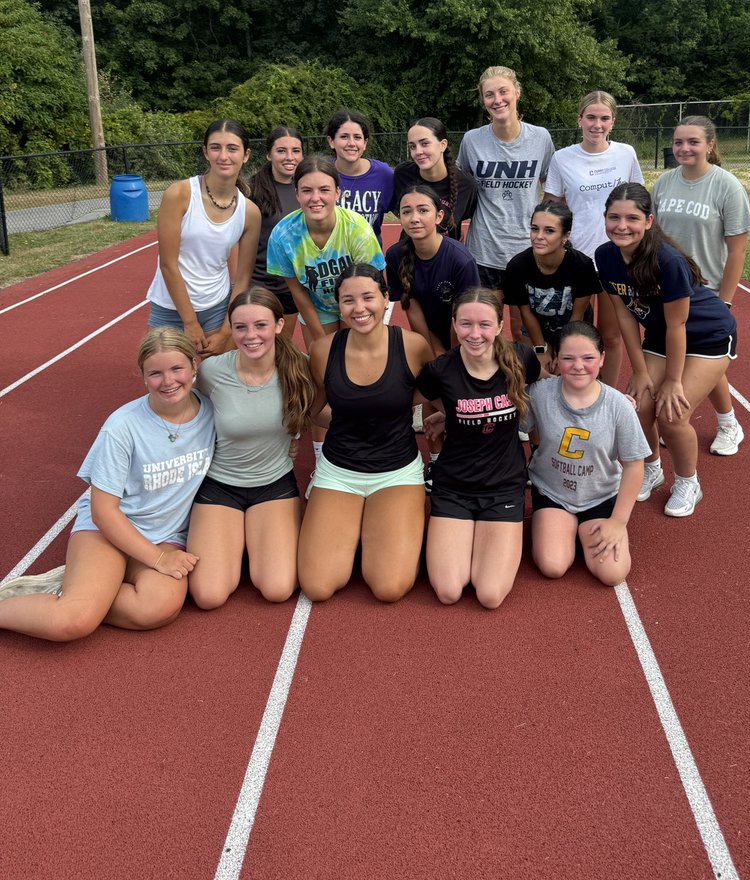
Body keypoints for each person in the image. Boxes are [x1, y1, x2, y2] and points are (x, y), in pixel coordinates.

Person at [0, 329, 215, 640]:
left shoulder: (211, 412)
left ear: (194, 365)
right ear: (143, 377)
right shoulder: (122, 425)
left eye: (177, 369)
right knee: (72, 622)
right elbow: (103, 511)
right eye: (155, 373)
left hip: (166, 534)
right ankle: (68, 597)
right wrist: (158, 559)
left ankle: (74, 586)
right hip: (109, 530)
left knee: (158, 608)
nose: (168, 381)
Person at [596, 183, 737, 519]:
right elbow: (624, 316)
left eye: (632, 218)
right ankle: (652, 467)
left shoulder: (667, 260)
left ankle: (689, 482)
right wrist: (641, 373)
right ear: (604, 219)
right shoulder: (605, 256)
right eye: (614, 217)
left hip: (707, 335)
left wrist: (672, 381)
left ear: (648, 221)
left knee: (672, 415)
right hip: (661, 336)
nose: (622, 225)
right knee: (639, 406)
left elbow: (678, 326)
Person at [298, 265, 433, 603]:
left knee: (388, 588)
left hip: (396, 474)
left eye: (368, 297)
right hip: (339, 473)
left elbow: (432, 395)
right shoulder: (323, 350)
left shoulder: (414, 347)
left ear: (386, 299)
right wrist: (354, 420)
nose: (359, 309)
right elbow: (314, 409)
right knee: (317, 586)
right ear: (338, 305)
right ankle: (355, 532)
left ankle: (376, 533)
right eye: (348, 300)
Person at [187, 288, 316, 609]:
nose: (250, 335)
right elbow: (181, 415)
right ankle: (236, 543)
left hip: (274, 486)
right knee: (208, 596)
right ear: (230, 328)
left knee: (278, 588)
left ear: (279, 325)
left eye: (260, 325)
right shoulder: (212, 372)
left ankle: (249, 543)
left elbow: (327, 413)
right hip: (220, 488)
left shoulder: (301, 368)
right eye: (240, 327)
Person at [416, 289, 542, 609]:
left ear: (500, 326)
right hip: (454, 485)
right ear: (455, 325)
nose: (474, 334)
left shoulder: (521, 357)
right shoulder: (439, 370)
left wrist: (606, 398)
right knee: (448, 592)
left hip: (503, 485)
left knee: (489, 595)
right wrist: (450, 414)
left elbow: (552, 390)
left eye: (484, 325)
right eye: (465, 324)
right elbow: (429, 396)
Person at [651, 116, 750, 456]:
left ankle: (728, 424)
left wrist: (724, 301)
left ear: (710, 144)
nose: (684, 148)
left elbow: (737, 250)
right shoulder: (664, 183)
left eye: (693, 142)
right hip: (667, 290)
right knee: (695, 361)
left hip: (706, 293)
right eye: (678, 142)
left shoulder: (727, 186)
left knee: (704, 358)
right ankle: (728, 420)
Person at [524, 322, 649, 585]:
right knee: (552, 565)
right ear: (556, 360)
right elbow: (502, 416)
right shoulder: (540, 394)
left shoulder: (618, 406)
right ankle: (564, 531)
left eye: (588, 358)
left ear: (602, 359)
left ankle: (582, 531)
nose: (578, 366)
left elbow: (634, 465)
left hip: (600, 497)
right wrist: (448, 415)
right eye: (568, 358)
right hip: (553, 492)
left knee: (613, 574)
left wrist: (618, 521)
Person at [544, 90, 643, 384]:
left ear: (613, 121)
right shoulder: (562, 158)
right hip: (576, 260)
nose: (596, 125)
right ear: (579, 119)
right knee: (571, 335)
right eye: (591, 117)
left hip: (616, 259)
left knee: (611, 336)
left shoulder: (626, 154)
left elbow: (639, 201)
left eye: (604, 118)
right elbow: (552, 208)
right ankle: (572, 394)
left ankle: (606, 398)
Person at [146, 118, 262, 357]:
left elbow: (242, 278)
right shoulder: (179, 194)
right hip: (170, 306)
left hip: (216, 308)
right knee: (168, 379)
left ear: (246, 154)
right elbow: (168, 264)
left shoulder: (249, 212)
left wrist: (227, 330)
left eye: (232, 148)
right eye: (215, 147)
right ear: (205, 152)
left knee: (214, 383)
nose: (224, 156)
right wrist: (190, 323)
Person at [456, 67, 555, 308]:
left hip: (528, 249)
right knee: (488, 324)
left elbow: (552, 189)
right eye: (489, 95)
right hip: (485, 250)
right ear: (483, 100)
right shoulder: (472, 140)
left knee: (525, 329)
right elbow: (456, 184)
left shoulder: (540, 138)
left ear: (517, 92)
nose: (497, 100)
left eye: (503, 92)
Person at [266, 155, 386, 346]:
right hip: (317, 304)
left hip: (356, 302)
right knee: (320, 360)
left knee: (353, 358)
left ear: (337, 193)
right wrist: (319, 337)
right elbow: (297, 290)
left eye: (324, 190)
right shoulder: (283, 236)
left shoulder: (357, 229)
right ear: (296, 194)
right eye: (306, 190)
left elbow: (372, 285)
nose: (315, 198)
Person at [386, 186, 480, 355]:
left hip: (465, 333)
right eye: (406, 212)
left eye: (423, 210)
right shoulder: (395, 256)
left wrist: (451, 357)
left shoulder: (461, 260)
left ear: (439, 216)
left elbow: (464, 315)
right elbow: (411, 306)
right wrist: (430, 351)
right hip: (426, 334)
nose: (414, 218)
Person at [502, 200, 598, 367]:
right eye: (534, 228)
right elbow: (526, 313)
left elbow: (577, 317)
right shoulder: (517, 266)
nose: (539, 236)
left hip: (572, 327)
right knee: (536, 369)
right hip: (536, 324)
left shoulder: (582, 266)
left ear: (565, 235)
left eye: (549, 231)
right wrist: (541, 349)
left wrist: (564, 353)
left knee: (567, 368)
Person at [248, 126, 304, 342]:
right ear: (269, 154)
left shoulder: (306, 187)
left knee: (281, 345)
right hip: (260, 285)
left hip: (292, 285)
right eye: (281, 151)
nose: (289, 157)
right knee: (255, 343)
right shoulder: (251, 190)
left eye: (296, 151)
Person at [392, 117, 478, 240]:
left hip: (448, 256)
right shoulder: (403, 175)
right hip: (408, 253)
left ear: (443, 145)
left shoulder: (466, 185)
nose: (418, 151)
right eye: (412, 146)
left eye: (425, 144)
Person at [327, 109, 394, 243]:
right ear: (331, 141)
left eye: (357, 137)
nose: (351, 143)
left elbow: (406, 213)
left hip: (369, 260)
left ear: (365, 143)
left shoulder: (383, 174)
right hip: (329, 260)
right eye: (344, 137)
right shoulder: (321, 172)